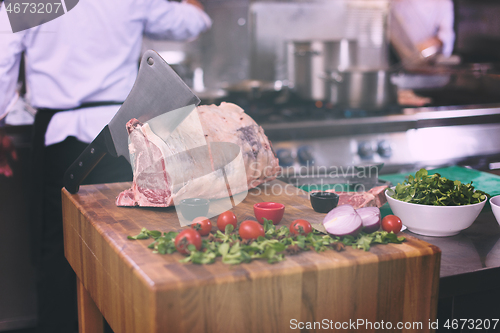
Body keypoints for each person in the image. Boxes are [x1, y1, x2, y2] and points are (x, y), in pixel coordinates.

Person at [0, 1, 211, 332]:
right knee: (126, 249)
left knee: (58, 251)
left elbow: (2, 52)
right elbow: (192, 24)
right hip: (123, 137)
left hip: (60, 138)